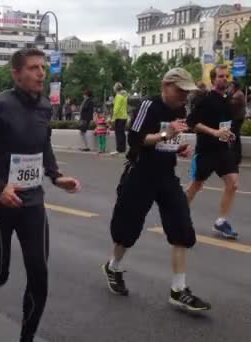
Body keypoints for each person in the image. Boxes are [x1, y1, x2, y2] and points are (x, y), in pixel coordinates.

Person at [0, 49, 81, 342]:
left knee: (39, 277)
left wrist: (56, 176)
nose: (40, 73)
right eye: (33, 68)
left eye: (42, 68)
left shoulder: (45, 107)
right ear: (16, 73)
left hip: (32, 202)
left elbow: (42, 146)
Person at [103, 68, 211, 312]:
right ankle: (114, 266)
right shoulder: (148, 106)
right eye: (180, 91)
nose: (184, 97)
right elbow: (135, 139)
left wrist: (178, 147)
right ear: (165, 86)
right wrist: (166, 134)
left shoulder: (180, 110)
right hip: (140, 174)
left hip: (166, 175)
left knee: (182, 226)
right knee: (127, 230)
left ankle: (178, 289)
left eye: (187, 92)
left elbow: (166, 142)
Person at [186, 65, 239, 239]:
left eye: (226, 76)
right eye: (220, 76)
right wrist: (214, 132)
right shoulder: (206, 99)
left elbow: (225, 123)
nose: (224, 79)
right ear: (213, 79)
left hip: (223, 149)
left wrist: (228, 134)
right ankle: (179, 215)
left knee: (233, 184)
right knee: (197, 185)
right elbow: (192, 121)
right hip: (206, 150)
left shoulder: (227, 99)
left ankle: (221, 221)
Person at [229, 80, 245, 166]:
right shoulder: (238, 93)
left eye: (231, 86)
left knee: (234, 138)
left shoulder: (237, 95)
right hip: (238, 118)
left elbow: (230, 104)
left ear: (235, 86)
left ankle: (235, 158)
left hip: (237, 118)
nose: (230, 87)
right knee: (236, 138)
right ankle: (236, 158)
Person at [111, 82, 129, 155]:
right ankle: (123, 149)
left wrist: (113, 118)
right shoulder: (124, 96)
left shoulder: (118, 96)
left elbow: (116, 108)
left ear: (115, 89)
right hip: (124, 117)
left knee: (118, 133)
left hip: (119, 117)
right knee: (122, 133)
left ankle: (119, 149)